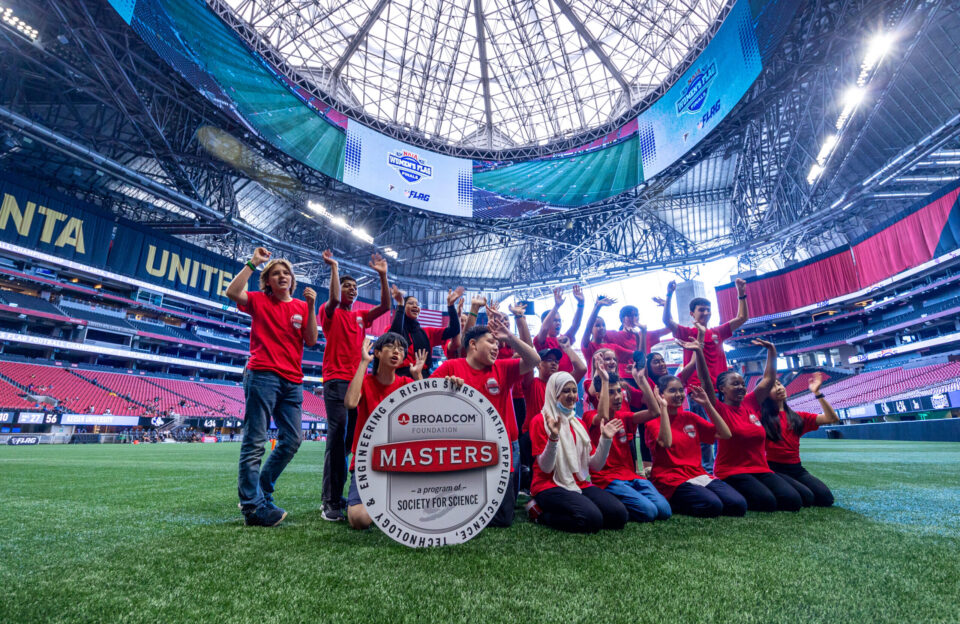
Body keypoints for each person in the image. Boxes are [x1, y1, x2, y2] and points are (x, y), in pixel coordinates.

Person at [225, 246, 318, 527]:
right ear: (267, 281)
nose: (282, 276)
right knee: (255, 442)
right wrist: (253, 263)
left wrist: (312, 306)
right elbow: (232, 292)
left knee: (292, 440)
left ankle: (262, 490)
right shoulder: (258, 300)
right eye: (275, 273)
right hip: (262, 374)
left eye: (285, 273)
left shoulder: (302, 307)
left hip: (293, 380)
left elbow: (311, 340)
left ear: (292, 279)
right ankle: (253, 508)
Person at [431, 315, 540, 527]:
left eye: (498, 344)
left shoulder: (502, 369)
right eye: (491, 342)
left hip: (498, 451)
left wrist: (508, 336)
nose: (496, 347)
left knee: (503, 518)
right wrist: (444, 388)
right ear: (472, 344)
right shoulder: (451, 367)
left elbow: (534, 360)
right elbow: (423, 399)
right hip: (462, 452)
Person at [319, 250, 391, 522]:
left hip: (358, 382)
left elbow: (385, 307)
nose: (351, 291)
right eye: (347, 286)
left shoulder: (361, 316)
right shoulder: (330, 312)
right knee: (337, 440)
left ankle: (347, 495)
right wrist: (335, 268)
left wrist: (383, 276)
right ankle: (330, 501)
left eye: (355, 288)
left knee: (352, 442)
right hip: (337, 380)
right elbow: (334, 297)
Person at [695, 336, 803, 512]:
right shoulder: (718, 407)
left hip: (760, 469)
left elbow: (768, 378)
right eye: (734, 384)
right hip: (732, 471)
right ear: (722, 389)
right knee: (767, 503)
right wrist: (699, 352)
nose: (740, 387)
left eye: (742, 384)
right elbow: (705, 381)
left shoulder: (750, 402)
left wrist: (772, 351)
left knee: (794, 501)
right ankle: (728, 489)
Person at [662, 278, 749, 472]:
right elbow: (667, 321)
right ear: (692, 313)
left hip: (721, 390)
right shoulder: (687, 332)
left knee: (726, 429)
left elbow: (742, 318)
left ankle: (725, 465)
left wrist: (741, 293)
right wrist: (669, 295)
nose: (706, 313)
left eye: (708, 309)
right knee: (704, 432)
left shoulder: (718, 331)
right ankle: (708, 470)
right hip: (698, 390)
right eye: (701, 310)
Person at [343, 334, 428, 529]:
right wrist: (364, 362)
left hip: (399, 461)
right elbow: (350, 403)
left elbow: (425, 412)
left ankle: (387, 500)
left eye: (401, 349)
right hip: (367, 461)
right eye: (391, 346)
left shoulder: (406, 383)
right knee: (359, 519)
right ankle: (386, 502)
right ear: (378, 353)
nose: (397, 351)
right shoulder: (365, 381)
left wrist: (418, 376)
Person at [527, 372, 628, 533]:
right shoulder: (540, 421)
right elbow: (546, 468)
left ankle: (580, 507)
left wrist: (605, 439)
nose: (572, 395)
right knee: (591, 520)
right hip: (548, 485)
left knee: (619, 515)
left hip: (578, 483)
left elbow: (595, 465)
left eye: (574, 390)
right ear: (554, 393)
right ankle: (540, 513)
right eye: (566, 391)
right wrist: (553, 437)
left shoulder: (578, 423)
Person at [644, 359, 747, 517]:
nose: (678, 395)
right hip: (671, 479)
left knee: (738, 504)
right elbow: (666, 442)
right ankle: (672, 500)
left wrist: (707, 405)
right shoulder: (652, 423)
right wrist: (663, 407)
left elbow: (725, 434)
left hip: (697, 474)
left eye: (680, 390)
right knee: (712, 505)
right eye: (672, 391)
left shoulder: (690, 417)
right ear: (660, 394)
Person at [584, 367, 671, 523]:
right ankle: (610, 501)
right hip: (607, 479)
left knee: (665, 511)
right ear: (599, 395)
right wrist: (604, 381)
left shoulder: (623, 416)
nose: (618, 397)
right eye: (611, 392)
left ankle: (628, 500)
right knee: (649, 512)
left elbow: (654, 412)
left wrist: (641, 381)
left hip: (630, 475)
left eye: (619, 391)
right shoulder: (590, 416)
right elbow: (602, 415)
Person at [519, 334, 586, 492]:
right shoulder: (532, 383)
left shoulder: (562, 386)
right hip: (533, 433)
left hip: (558, 432)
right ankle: (532, 484)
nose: (554, 363)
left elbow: (582, 369)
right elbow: (529, 354)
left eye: (556, 361)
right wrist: (520, 319)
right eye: (549, 360)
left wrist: (567, 347)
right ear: (538, 365)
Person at [762, 372, 838, 507]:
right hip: (774, 469)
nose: (779, 388)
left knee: (826, 498)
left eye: (779, 384)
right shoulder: (761, 417)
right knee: (805, 498)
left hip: (797, 469)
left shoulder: (798, 416)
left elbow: (831, 418)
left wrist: (817, 393)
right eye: (772, 387)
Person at [389, 284, 463, 377]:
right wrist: (400, 304)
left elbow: (454, 330)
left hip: (423, 380)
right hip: (399, 378)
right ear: (403, 306)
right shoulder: (390, 329)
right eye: (411, 303)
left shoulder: (428, 332)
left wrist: (451, 306)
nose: (415, 306)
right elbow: (395, 337)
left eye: (417, 304)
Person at [533, 286, 584, 374]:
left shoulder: (563, 340)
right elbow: (544, 328)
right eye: (554, 320)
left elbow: (575, 325)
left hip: (567, 383)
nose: (558, 323)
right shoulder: (541, 341)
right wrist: (556, 306)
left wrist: (581, 304)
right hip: (550, 382)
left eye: (559, 321)